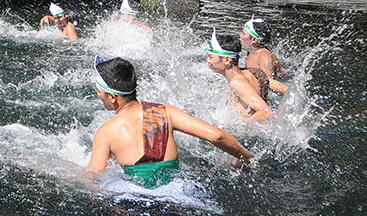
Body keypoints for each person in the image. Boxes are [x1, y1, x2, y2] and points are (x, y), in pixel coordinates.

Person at [86, 55, 252, 188]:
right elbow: (217, 136)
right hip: (179, 194)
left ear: (113, 97)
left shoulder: (106, 132)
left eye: (99, 91)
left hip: (135, 201)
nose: (98, 95)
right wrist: (245, 157)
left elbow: (94, 176)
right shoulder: (165, 113)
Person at [204, 30, 274, 122]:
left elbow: (267, 113)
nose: (208, 60)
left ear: (227, 60)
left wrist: (238, 125)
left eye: (211, 57)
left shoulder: (237, 83)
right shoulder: (249, 72)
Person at [239, 17, 288, 96]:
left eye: (243, 33)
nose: (240, 36)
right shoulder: (251, 52)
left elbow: (267, 85)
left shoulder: (264, 56)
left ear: (254, 40)